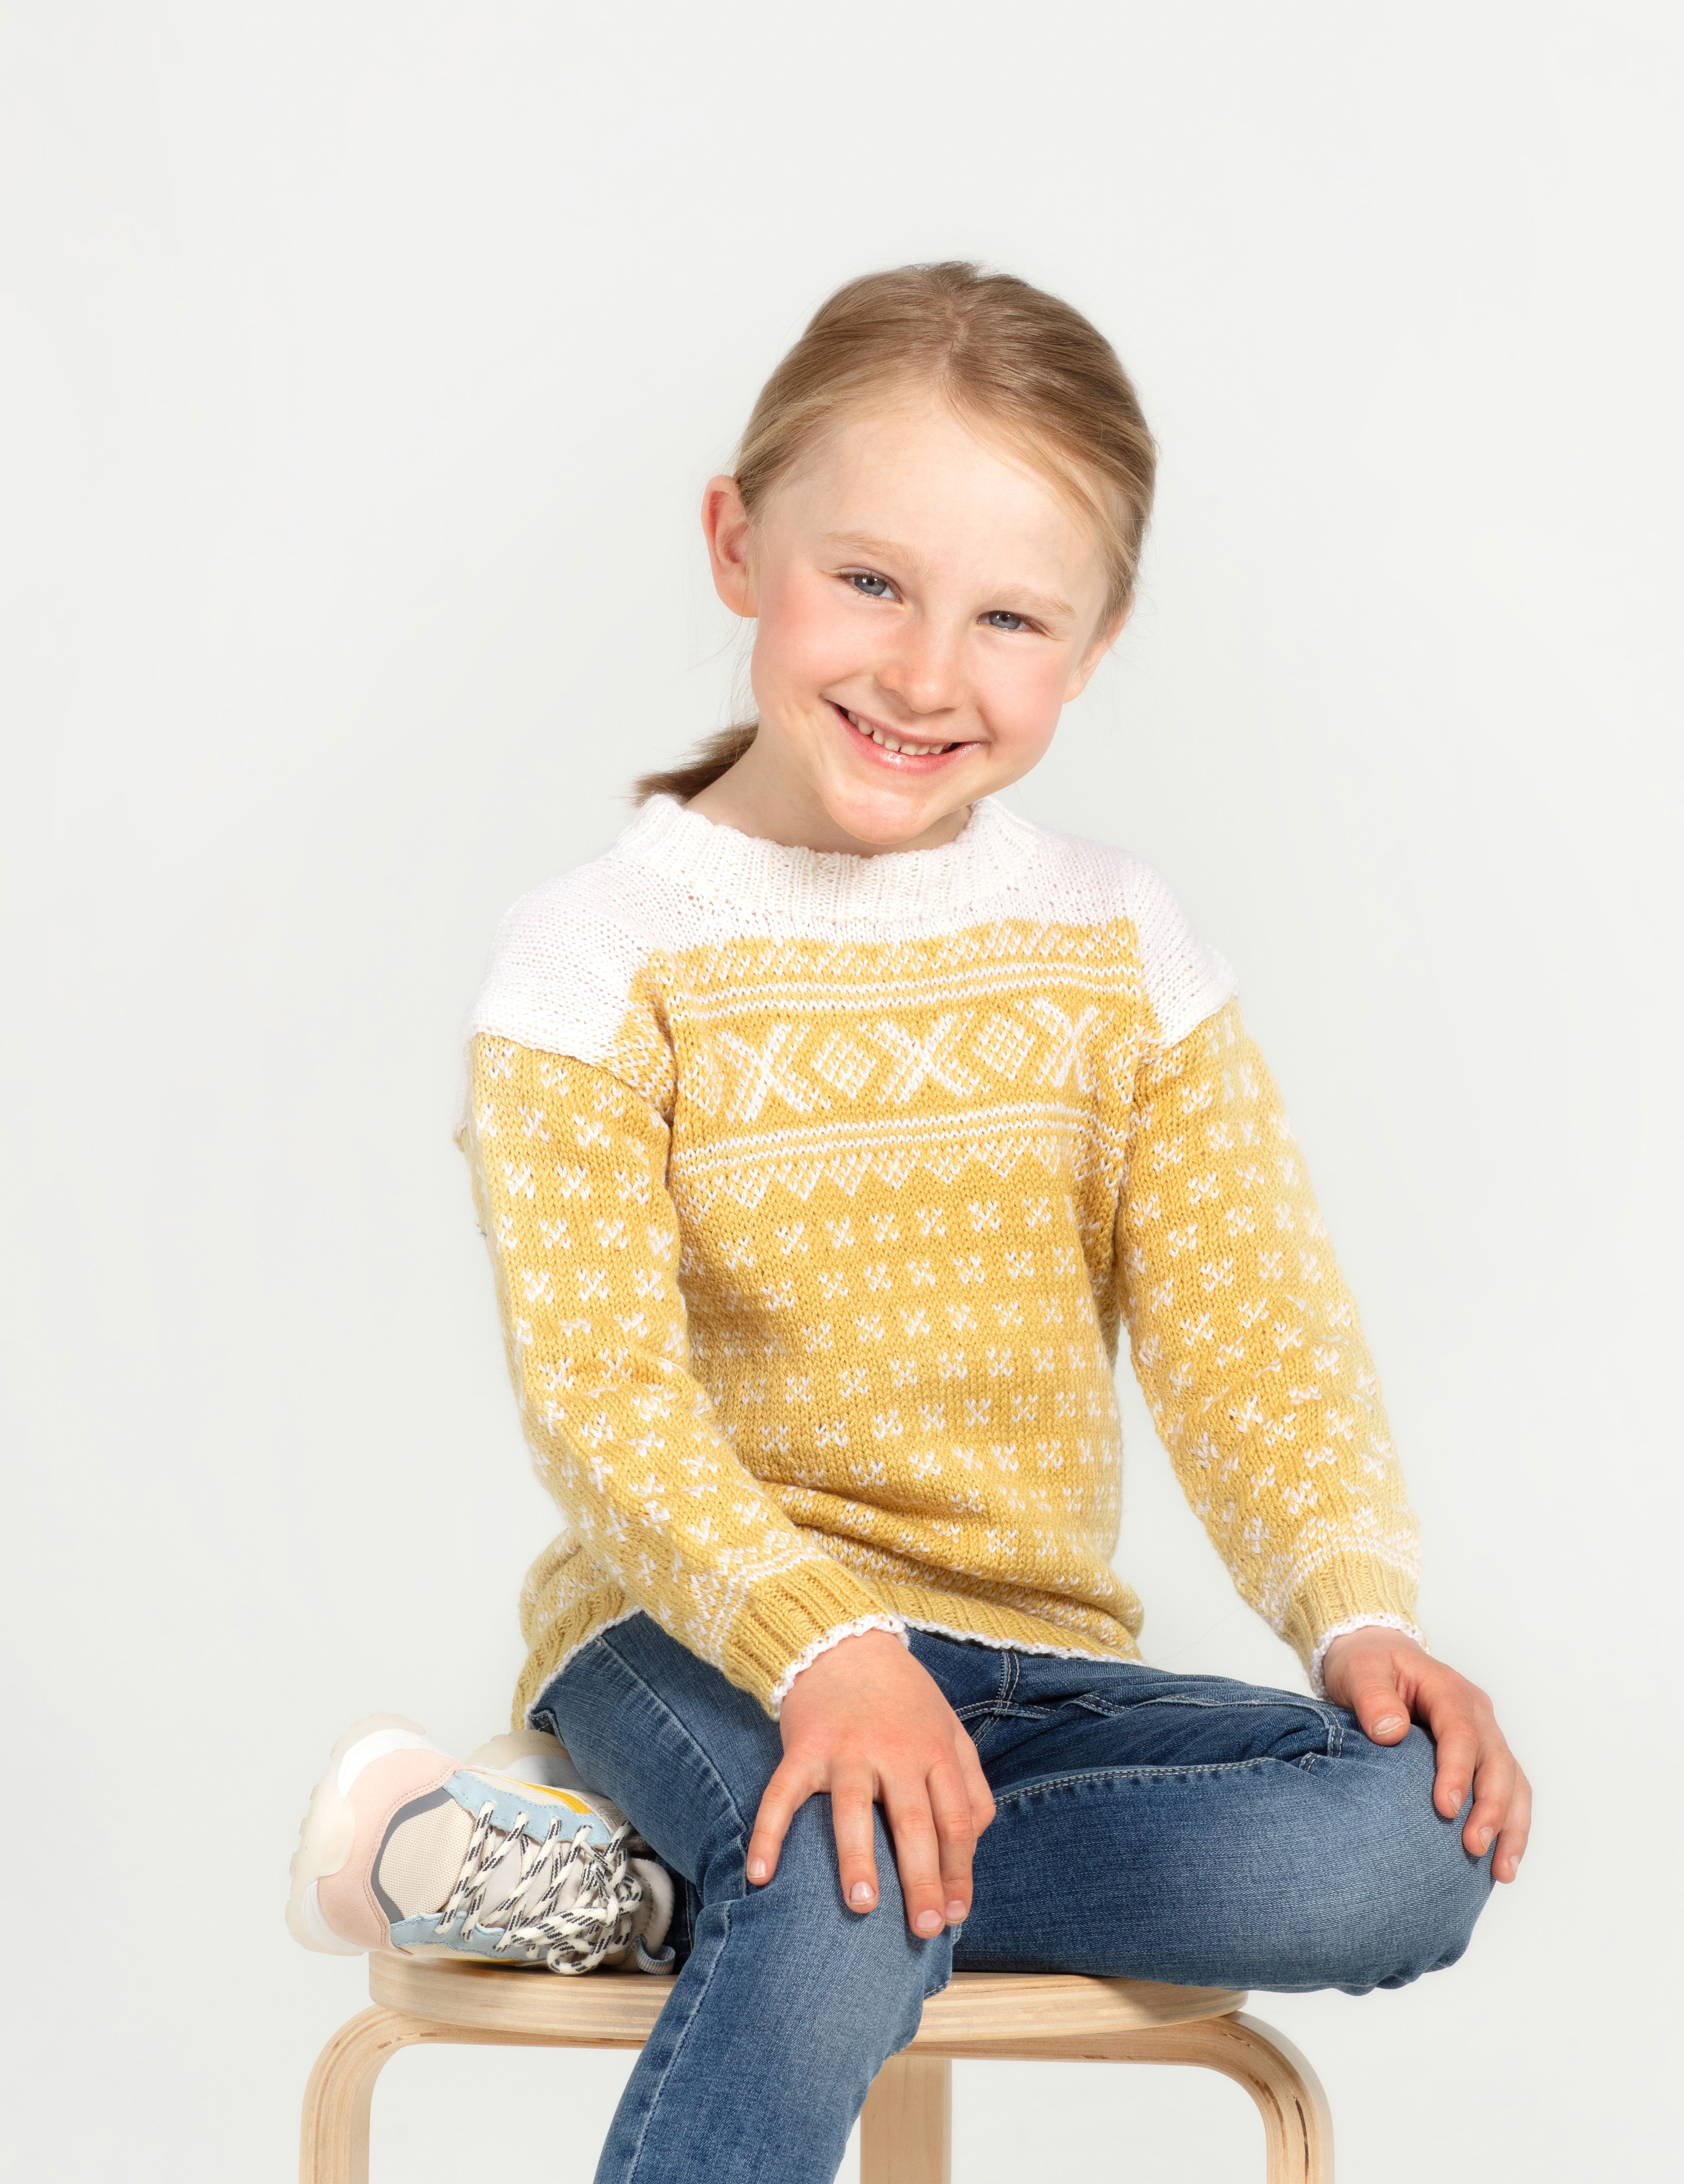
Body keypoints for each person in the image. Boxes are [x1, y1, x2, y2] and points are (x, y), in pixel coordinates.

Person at [288, 261, 1529, 2183]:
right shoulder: (593, 962)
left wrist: (1352, 1609)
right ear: (737, 544)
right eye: (868, 580)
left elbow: (1250, 1328)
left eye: (1010, 615)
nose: (928, 671)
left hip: (1029, 1672)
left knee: (1407, 1843)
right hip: (693, 1631)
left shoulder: (1116, 945)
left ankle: (628, 1886)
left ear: (1093, 646)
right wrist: (821, 1652)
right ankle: (780, 1857)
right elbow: (607, 1403)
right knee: (844, 1847)